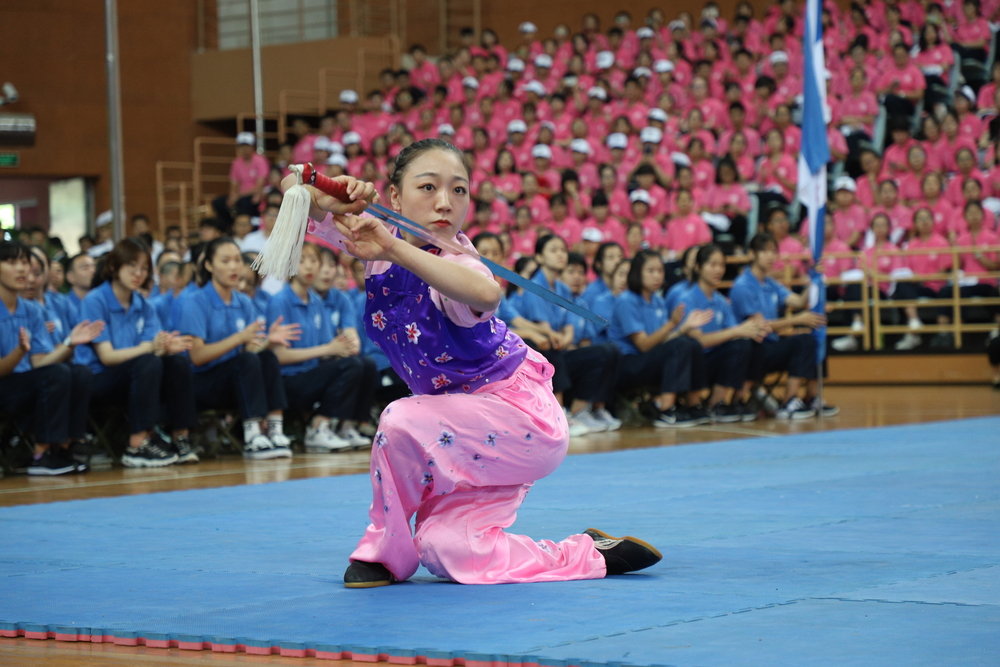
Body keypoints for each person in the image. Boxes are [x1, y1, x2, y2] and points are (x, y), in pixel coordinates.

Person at [290, 138, 661, 587]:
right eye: (427, 187)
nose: (445, 202)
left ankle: (382, 553)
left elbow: (486, 293)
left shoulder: (458, 262)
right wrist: (320, 194)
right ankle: (588, 554)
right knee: (449, 549)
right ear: (394, 197)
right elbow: (301, 195)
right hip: (459, 434)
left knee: (400, 418)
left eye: (459, 190)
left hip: (519, 419)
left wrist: (392, 247)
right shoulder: (378, 247)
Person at [176, 237, 300, 460]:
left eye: (237, 260)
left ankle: (274, 429)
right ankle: (252, 435)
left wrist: (268, 341)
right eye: (225, 261)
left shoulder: (243, 302)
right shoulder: (194, 302)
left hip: (236, 381)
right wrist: (239, 338)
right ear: (209, 265)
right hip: (203, 384)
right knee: (247, 361)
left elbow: (251, 352)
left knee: (267, 357)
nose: (234, 266)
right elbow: (197, 356)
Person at [79, 239, 200, 467]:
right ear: (114, 266)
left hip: (137, 377)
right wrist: (153, 349)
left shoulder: (145, 306)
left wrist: (164, 349)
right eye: (132, 265)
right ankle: (137, 444)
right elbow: (107, 357)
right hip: (99, 380)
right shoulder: (95, 300)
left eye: (144, 268)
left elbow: (152, 349)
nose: (138, 273)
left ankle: (181, 437)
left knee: (177, 363)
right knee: (148, 362)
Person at [0, 241, 101, 475]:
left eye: (24, 262)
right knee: (57, 374)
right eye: (11, 262)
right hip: (4, 384)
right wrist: (19, 352)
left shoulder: (32, 310)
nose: (21, 269)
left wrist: (68, 343)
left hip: (25, 384)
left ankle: (69, 444)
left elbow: (39, 364)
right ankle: (41, 453)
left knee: (79, 373)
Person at [267, 242, 374, 452]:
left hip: (313, 373)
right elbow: (278, 356)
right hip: (288, 381)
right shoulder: (279, 301)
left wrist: (340, 349)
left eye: (313, 261)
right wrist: (328, 350)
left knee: (364, 364)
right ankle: (318, 429)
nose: (309, 267)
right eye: (301, 261)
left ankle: (345, 427)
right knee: (350, 366)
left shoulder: (316, 301)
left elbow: (331, 346)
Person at [519, 234, 621, 434]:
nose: (560, 255)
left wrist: (564, 338)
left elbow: (568, 330)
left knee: (608, 351)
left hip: (560, 349)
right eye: (553, 250)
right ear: (539, 257)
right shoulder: (533, 287)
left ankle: (585, 411)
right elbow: (546, 330)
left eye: (563, 250)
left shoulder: (563, 289)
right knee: (552, 349)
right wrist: (562, 339)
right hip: (537, 355)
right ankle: (561, 413)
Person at [729, 234, 838, 419]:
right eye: (764, 251)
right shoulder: (743, 285)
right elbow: (760, 327)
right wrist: (797, 320)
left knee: (815, 337)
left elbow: (797, 301)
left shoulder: (770, 283)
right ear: (752, 254)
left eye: (773, 251)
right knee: (801, 341)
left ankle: (811, 397)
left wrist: (814, 279)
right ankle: (789, 401)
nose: (770, 256)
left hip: (771, 345)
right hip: (753, 350)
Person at [609, 250, 714, 426]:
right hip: (628, 365)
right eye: (650, 271)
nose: (657, 275)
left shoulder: (658, 301)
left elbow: (664, 341)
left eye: (660, 270)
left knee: (691, 343)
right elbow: (643, 345)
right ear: (637, 273)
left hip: (648, 360)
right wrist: (672, 324)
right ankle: (665, 409)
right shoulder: (627, 301)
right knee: (680, 344)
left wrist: (683, 328)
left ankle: (693, 405)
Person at [680, 244, 769, 421]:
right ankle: (714, 404)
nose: (718, 270)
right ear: (698, 268)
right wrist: (737, 330)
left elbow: (735, 332)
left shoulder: (720, 301)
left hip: (715, 360)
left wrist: (751, 330)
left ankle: (735, 401)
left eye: (721, 265)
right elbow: (699, 342)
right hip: (694, 364)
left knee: (752, 343)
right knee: (736, 343)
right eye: (712, 265)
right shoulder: (688, 298)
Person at [213, 132, 270, 225]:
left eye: (247, 146)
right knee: (218, 203)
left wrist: (238, 196)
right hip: (241, 195)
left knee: (244, 203)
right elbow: (234, 182)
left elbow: (260, 184)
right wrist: (232, 197)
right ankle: (230, 226)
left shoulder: (260, 160)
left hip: (255, 194)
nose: (244, 149)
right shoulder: (236, 162)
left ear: (252, 146)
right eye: (242, 146)